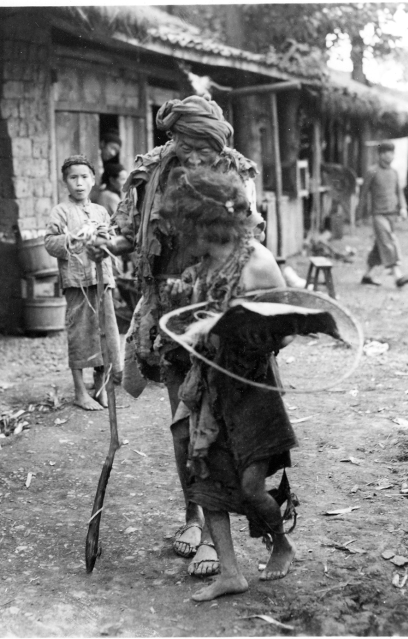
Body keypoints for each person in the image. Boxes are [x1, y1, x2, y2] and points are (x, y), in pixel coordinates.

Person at [87, 95, 266, 577]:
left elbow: (252, 238)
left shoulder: (235, 171)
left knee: (219, 427)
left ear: (216, 143)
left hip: (219, 311)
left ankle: (218, 536)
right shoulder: (151, 172)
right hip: (167, 311)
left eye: (201, 148)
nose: (192, 157)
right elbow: (126, 234)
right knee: (183, 427)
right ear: (173, 138)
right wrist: (104, 241)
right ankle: (193, 519)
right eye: (184, 145)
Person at [160, 167, 298, 601]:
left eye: (193, 229)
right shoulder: (202, 264)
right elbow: (195, 314)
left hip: (252, 385)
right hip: (210, 384)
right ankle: (231, 571)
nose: (186, 239)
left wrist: (244, 331)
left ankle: (280, 540)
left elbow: (287, 330)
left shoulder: (257, 261)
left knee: (250, 486)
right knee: (206, 479)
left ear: (211, 224)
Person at [44, 155, 119, 411]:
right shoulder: (61, 211)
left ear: (93, 180)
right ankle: (79, 391)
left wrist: (105, 237)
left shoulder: (100, 210)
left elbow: (113, 243)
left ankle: (101, 388)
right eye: (73, 178)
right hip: (77, 281)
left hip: (102, 280)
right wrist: (73, 237)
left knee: (105, 333)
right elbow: (50, 243)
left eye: (84, 177)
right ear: (65, 181)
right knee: (80, 334)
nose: (79, 183)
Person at [357, 142, 408, 288]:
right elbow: (363, 194)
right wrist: (359, 214)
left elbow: (399, 192)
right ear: (380, 154)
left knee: (379, 246)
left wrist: (403, 207)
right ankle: (397, 274)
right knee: (388, 242)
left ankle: (367, 275)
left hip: (391, 214)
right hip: (377, 214)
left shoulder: (394, 173)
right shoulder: (372, 171)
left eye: (392, 153)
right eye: (387, 152)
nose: (390, 156)